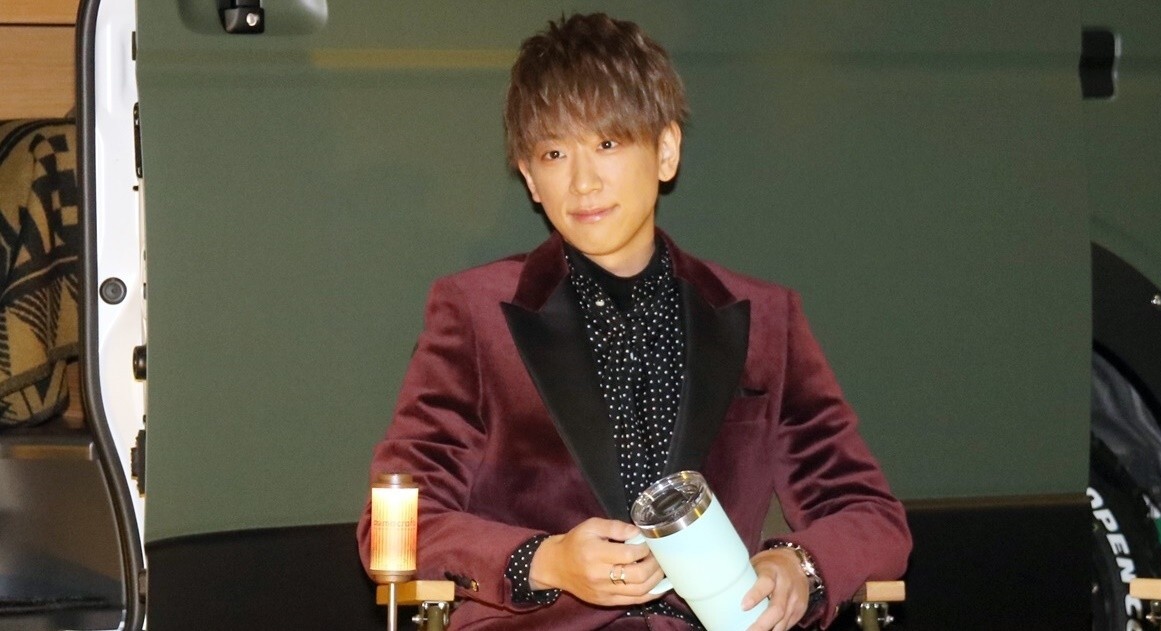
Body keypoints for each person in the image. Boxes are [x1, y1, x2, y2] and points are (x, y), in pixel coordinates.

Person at [358, 13, 911, 630]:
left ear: (666, 151)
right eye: (555, 153)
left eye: (608, 144)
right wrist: (545, 561)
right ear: (530, 178)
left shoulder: (765, 319)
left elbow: (869, 515)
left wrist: (798, 566)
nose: (583, 181)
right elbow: (395, 526)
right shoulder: (474, 313)